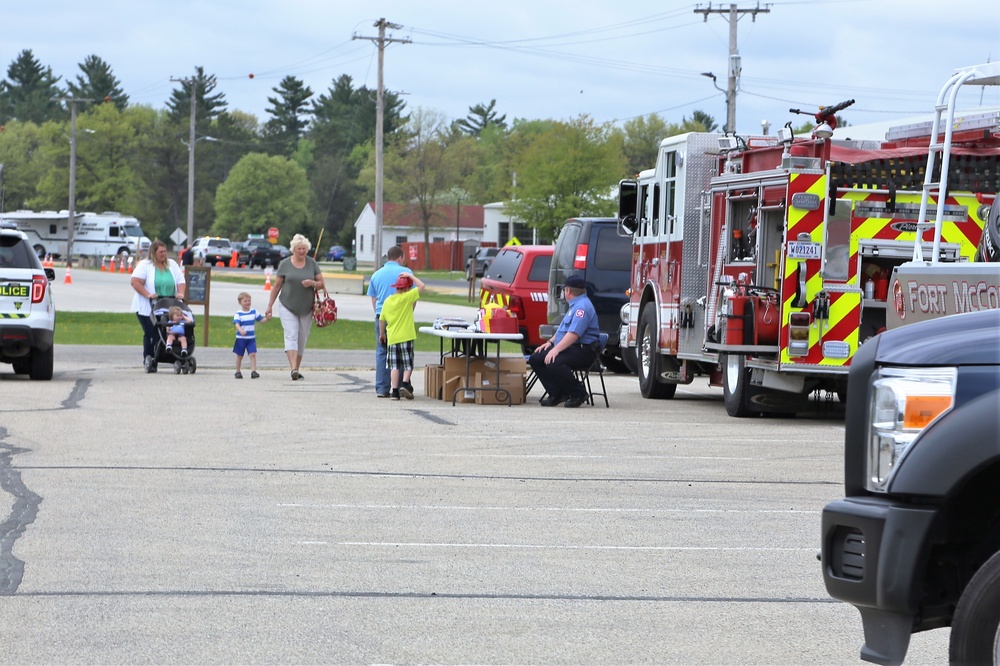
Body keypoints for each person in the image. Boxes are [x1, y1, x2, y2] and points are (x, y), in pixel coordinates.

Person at [528, 275, 601, 408]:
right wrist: (550, 343)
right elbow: (563, 331)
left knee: (554, 361)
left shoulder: (581, 308)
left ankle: (578, 392)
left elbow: (573, 334)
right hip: (571, 347)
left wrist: (555, 350)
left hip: (583, 350)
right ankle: (557, 393)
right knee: (536, 358)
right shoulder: (575, 305)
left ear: (567, 291)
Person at [264, 233, 324, 380]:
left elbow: (322, 284)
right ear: (293, 249)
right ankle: (293, 369)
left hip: (306, 307)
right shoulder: (285, 264)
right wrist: (269, 306)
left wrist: (312, 283)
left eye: (304, 248)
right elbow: (277, 286)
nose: (302, 251)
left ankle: (297, 367)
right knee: (291, 334)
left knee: (302, 338)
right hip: (287, 305)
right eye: (299, 249)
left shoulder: (312, 263)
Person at [130, 239, 186, 368]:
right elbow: (135, 281)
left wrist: (181, 293)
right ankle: (150, 358)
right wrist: (148, 294)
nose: (163, 254)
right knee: (152, 332)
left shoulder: (171, 264)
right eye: (161, 252)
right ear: (154, 253)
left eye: (165, 251)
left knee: (170, 331)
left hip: (168, 305)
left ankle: (173, 355)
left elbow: (180, 280)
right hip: (148, 306)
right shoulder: (145, 265)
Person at [367, 245, 412, 397]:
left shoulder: (376, 275)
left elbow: (374, 298)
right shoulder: (406, 273)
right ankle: (400, 386)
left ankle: (381, 388)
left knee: (382, 351)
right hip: (401, 319)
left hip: (382, 316)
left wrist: (379, 314)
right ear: (400, 258)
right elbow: (413, 298)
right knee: (402, 353)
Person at [378, 272, 426, 400]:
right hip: (406, 336)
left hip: (392, 338)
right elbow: (422, 286)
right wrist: (411, 276)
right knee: (408, 364)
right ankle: (405, 383)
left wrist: (382, 334)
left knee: (394, 366)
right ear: (406, 288)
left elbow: (381, 320)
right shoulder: (407, 297)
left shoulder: (388, 301)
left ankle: (394, 392)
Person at [233, 291, 264, 379]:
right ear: (240, 303)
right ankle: (238, 371)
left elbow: (261, 320)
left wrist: (267, 318)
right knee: (240, 355)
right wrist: (241, 330)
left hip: (251, 338)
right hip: (241, 338)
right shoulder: (238, 313)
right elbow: (236, 324)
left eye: (249, 300)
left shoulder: (254, 312)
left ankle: (253, 371)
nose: (248, 302)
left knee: (252, 354)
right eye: (245, 301)